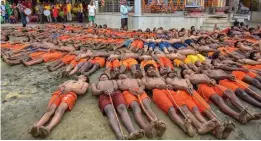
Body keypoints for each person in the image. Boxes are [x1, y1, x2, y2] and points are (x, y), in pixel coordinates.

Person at [141, 64, 217, 137]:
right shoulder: (145, 78)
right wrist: (156, 85)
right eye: (149, 69)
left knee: (183, 107)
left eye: (153, 69)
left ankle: (200, 126)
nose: (152, 70)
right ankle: (184, 127)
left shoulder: (162, 78)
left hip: (170, 91)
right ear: (146, 72)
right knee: (171, 109)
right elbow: (147, 86)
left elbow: (171, 84)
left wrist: (170, 86)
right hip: (157, 91)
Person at [91, 73, 144, 140]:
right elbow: (94, 92)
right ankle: (119, 134)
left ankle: (132, 131)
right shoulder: (95, 83)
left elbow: (116, 86)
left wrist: (113, 88)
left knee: (122, 108)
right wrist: (102, 91)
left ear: (108, 78)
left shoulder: (113, 80)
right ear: (99, 78)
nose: (103, 77)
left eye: (105, 77)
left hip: (116, 93)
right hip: (103, 95)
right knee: (110, 111)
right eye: (102, 77)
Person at [117, 74, 167, 138]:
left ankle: (157, 124)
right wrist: (129, 88)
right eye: (119, 76)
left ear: (128, 75)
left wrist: (140, 89)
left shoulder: (136, 79)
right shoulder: (119, 81)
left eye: (122, 75)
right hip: (127, 92)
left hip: (139, 91)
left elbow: (142, 85)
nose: (121, 76)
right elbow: (121, 86)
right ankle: (145, 128)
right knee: (136, 108)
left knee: (147, 106)